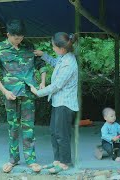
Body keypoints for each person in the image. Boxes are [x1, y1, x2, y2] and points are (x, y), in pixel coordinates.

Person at [0, 19, 46, 173]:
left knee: (28, 128)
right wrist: (4, 91)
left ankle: (31, 160)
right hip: (10, 93)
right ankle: (13, 160)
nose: (19, 40)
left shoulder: (29, 46)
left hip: (28, 93)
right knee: (13, 127)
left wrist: (43, 82)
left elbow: (41, 64)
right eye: (15, 37)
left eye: (21, 37)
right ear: (8, 34)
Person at [30, 32, 79, 174]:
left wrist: (38, 92)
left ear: (61, 48)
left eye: (53, 46)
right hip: (58, 102)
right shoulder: (63, 57)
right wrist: (43, 55)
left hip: (65, 103)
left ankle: (65, 162)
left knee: (62, 134)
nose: (52, 48)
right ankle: (57, 160)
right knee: (54, 132)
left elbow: (56, 85)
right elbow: (54, 62)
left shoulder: (69, 63)